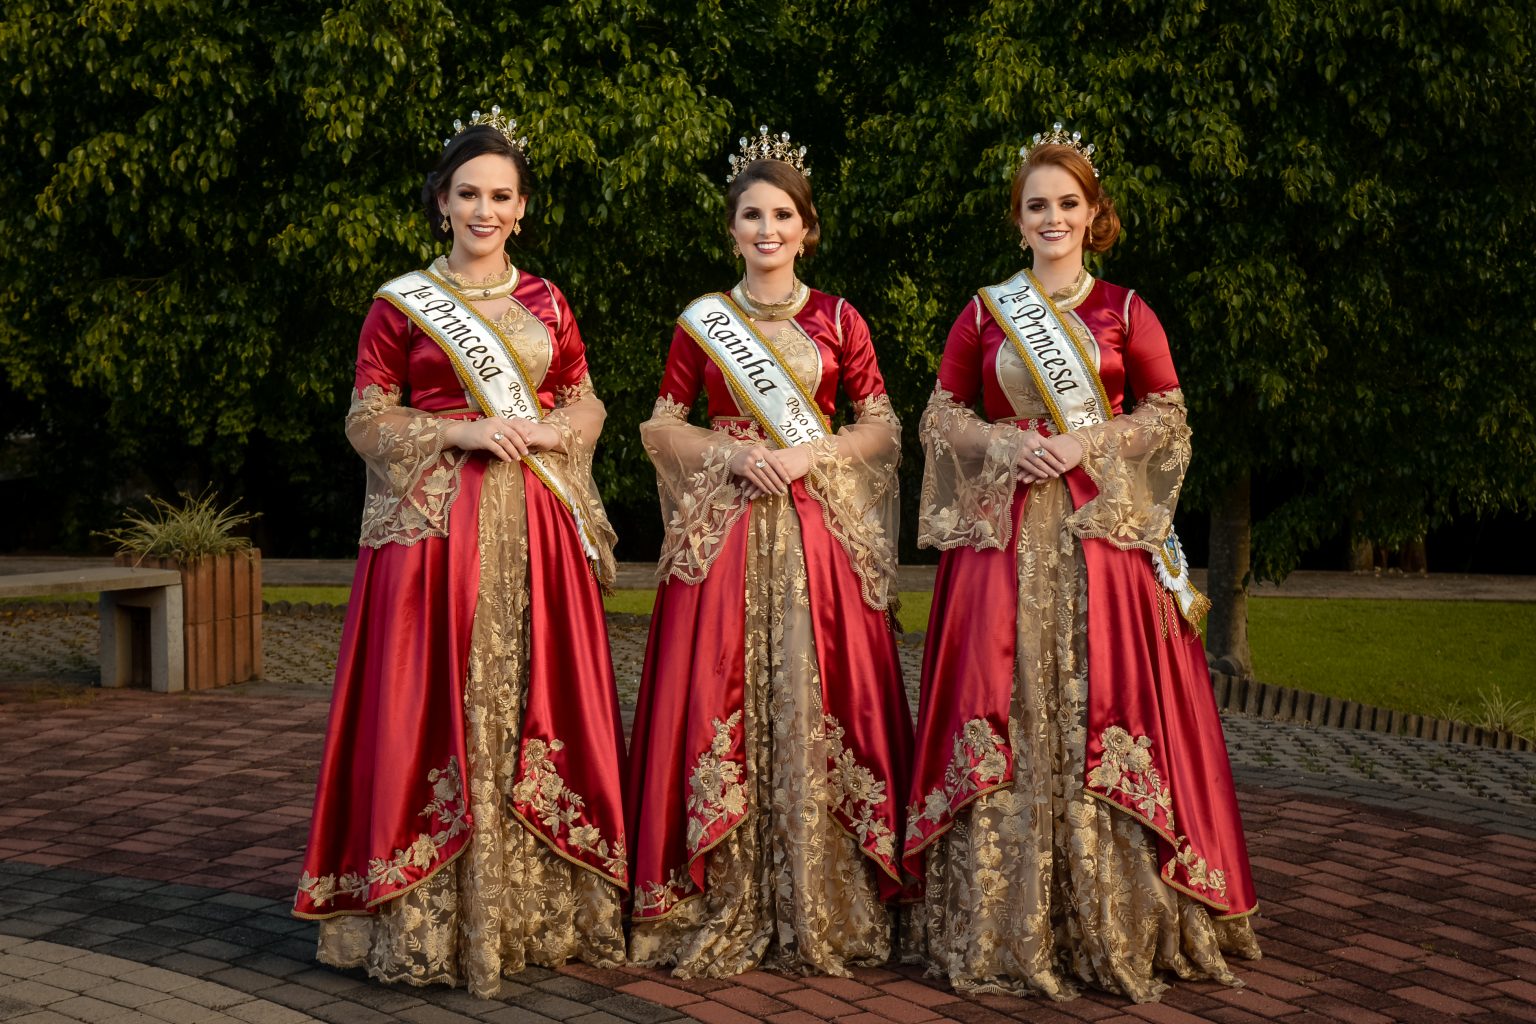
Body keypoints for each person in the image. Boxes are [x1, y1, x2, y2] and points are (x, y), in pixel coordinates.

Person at [903, 124, 1261, 1003]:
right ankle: (999, 917)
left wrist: (1087, 441)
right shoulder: (984, 313)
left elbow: (1167, 413)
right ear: (1018, 218)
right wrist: (1002, 441)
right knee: (1005, 698)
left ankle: (1116, 915)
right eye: (1038, 206)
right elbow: (940, 414)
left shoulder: (1128, 311)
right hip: (1002, 541)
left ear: (1093, 213)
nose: (1053, 218)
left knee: (1108, 697)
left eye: (1068, 203)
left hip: (1103, 539)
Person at [292, 109, 628, 996]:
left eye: (501, 197)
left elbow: (585, 399)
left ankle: (533, 909)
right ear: (441, 201)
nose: (485, 210)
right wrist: (461, 430)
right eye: (469, 194)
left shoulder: (549, 300)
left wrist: (554, 429)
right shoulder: (398, 304)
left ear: (521, 208)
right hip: (432, 539)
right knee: (427, 703)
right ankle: (426, 911)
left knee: (533, 697)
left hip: (536, 528)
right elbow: (367, 419)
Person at [625, 127, 915, 978]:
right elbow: (662, 425)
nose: (767, 229)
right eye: (752, 215)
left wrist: (810, 452)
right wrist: (729, 454)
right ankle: (716, 890)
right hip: (724, 532)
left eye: (782, 215)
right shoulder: (702, 323)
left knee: (824, 693)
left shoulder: (841, 319)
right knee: (715, 691)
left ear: (806, 228)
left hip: (820, 531)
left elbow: (881, 426)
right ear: (732, 229)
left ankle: (826, 895)